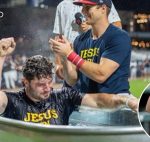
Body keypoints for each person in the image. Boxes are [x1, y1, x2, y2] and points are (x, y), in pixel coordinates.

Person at [0, 38, 137, 125]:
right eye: (41, 84)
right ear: (25, 82)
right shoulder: (13, 101)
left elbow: (97, 101)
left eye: (50, 82)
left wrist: (124, 100)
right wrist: (1, 56)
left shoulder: (62, 96)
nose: (48, 88)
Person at [49, 0, 132, 96]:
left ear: (103, 9)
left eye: (87, 7)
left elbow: (101, 74)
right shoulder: (79, 40)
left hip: (114, 102)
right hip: (88, 103)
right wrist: (64, 57)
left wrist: (70, 54)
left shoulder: (119, 36)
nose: (82, 11)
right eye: (83, 6)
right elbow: (72, 80)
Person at [53, 0, 122, 80]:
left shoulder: (101, 2)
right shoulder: (62, 5)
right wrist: (58, 63)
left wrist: (92, 27)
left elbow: (118, 26)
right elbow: (59, 37)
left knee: (94, 85)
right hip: (70, 57)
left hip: (92, 54)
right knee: (71, 87)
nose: (83, 10)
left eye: (87, 7)